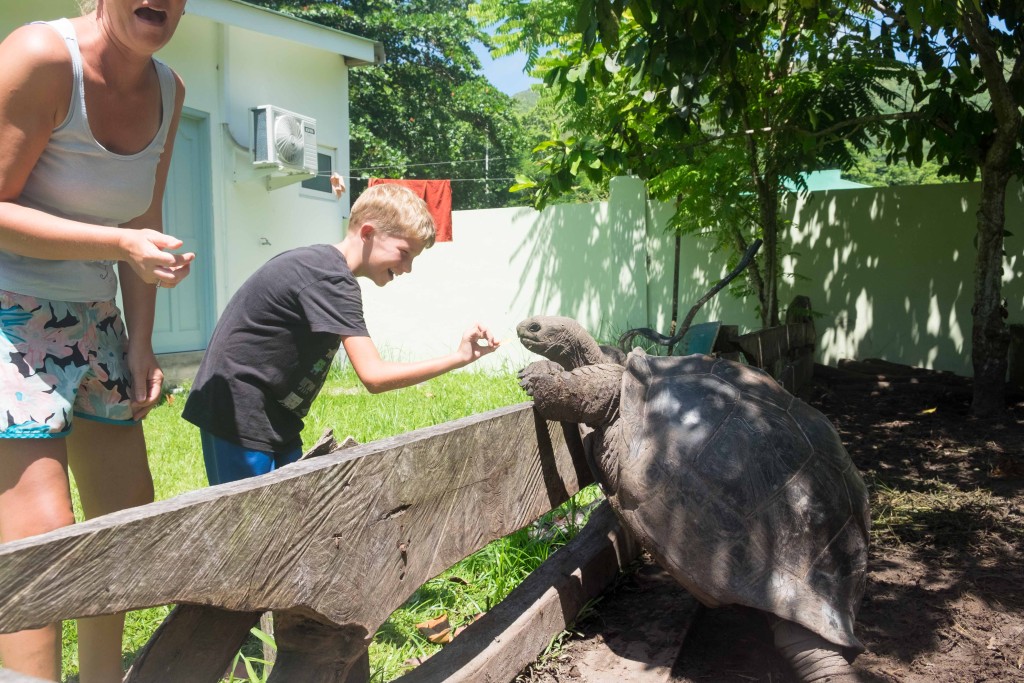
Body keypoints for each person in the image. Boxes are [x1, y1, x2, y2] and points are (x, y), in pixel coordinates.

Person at [0, 0, 193, 680]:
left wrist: (142, 341)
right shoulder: (41, 59)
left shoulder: (170, 90)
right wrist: (118, 243)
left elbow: (145, 214)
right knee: (42, 533)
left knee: (123, 523)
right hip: (7, 312)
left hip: (97, 320)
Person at [183, 183, 499, 484]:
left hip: (270, 415)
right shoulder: (331, 279)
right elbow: (374, 376)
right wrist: (458, 358)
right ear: (367, 233)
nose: (407, 269)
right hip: (240, 415)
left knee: (285, 522)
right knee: (249, 527)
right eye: (404, 253)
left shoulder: (323, 268)